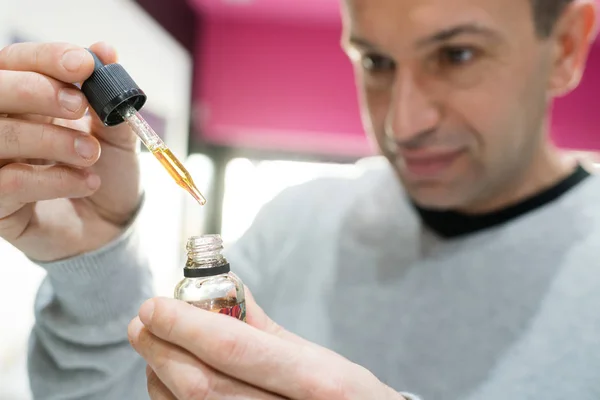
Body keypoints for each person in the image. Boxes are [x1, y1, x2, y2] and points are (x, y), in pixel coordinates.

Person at [1, 0, 599, 398]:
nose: (404, 124)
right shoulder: (295, 223)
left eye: (456, 54)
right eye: (376, 61)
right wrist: (96, 256)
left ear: (568, 45)